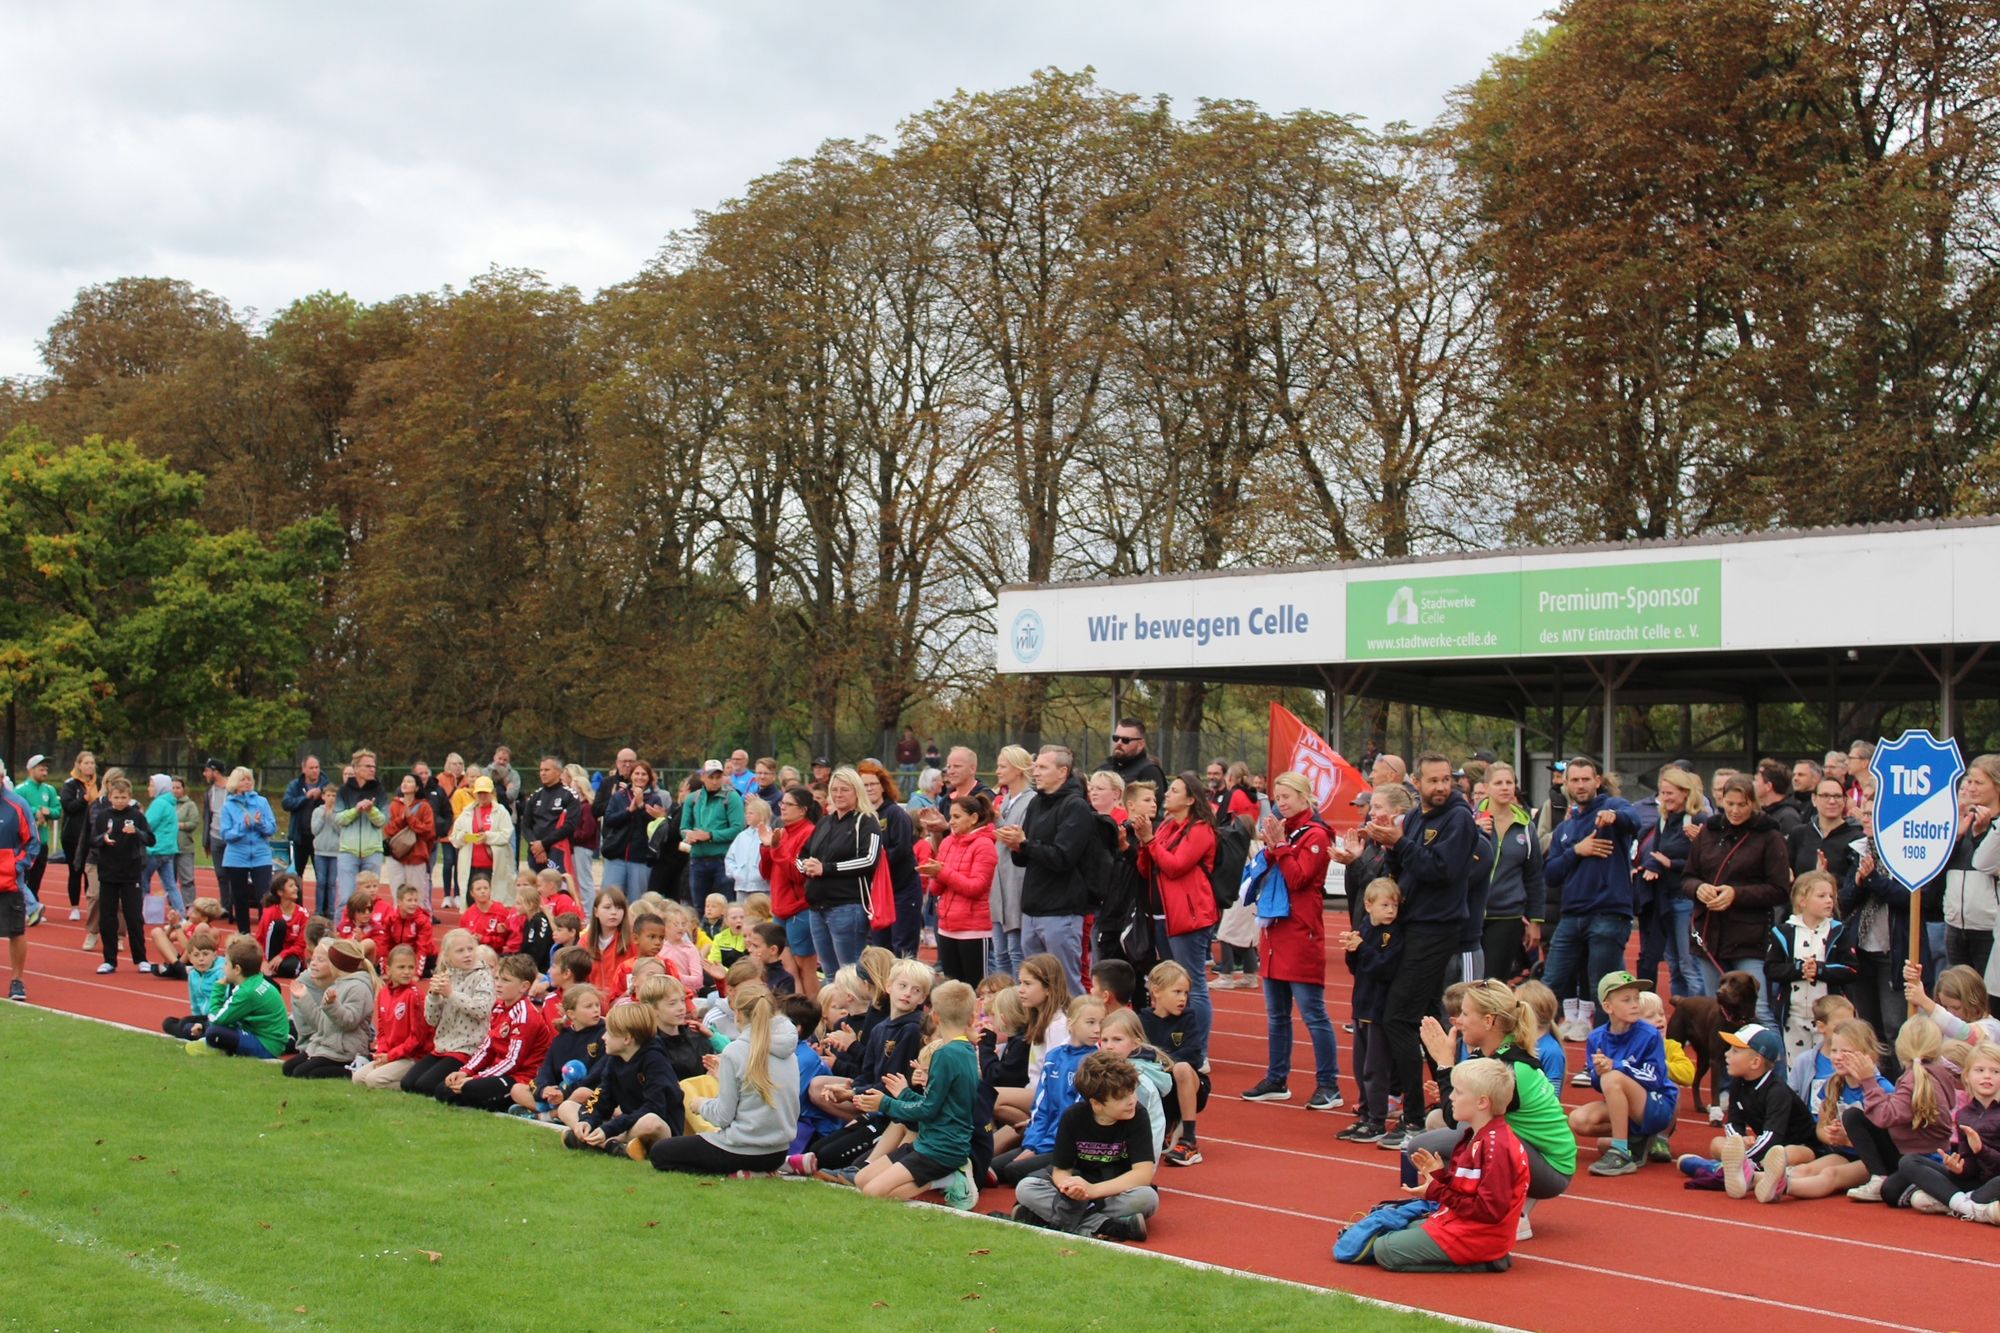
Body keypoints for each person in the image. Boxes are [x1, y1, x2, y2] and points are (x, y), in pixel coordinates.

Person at [1410, 980, 1578, 1241]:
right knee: (1437, 1124)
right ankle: (1469, 1202)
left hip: (1551, 1169)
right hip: (1534, 1153)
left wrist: (1444, 1062)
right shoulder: (1494, 1054)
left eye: (1466, 1014)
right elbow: (1454, 1108)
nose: (1458, 1021)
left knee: (1443, 1141)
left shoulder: (1507, 1068)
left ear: (1488, 1021)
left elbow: (1454, 1117)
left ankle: (1509, 1214)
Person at [1376, 753, 1478, 1149]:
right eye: (1433, 780)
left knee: (1398, 1018)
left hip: (1436, 928)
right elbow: (1406, 866)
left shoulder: (1459, 818)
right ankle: (1452, 1107)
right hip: (1414, 924)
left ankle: (1415, 1118)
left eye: (1446, 779)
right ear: (1415, 783)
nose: (1441, 787)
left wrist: (1400, 843)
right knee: (1425, 1019)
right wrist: (1390, 844)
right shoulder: (1418, 817)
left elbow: (1442, 870)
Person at [1241, 771, 1342, 1111]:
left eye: (1286, 796)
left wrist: (1281, 847)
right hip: (1275, 931)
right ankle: (1276, 1078)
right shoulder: (1288, 831)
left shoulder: (1316, 834)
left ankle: (1329, 1084)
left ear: (1304, 796)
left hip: (1300, 932)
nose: (1281, 803)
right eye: (1278, 797)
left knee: (1313, 1013)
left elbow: (1299, 878)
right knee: (1277, 1015)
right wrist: (1273, 847)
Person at [647, 980, 800, 1175]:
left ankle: (743, 1173)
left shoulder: (735, 1051)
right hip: (778, 1151)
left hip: (741, 1149)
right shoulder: (789, 1052)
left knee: (660, 1153)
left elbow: (723, 1116)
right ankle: (779, 1165)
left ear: (738, 1014)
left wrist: (700, 1104)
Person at [1009, 1050, 1158, 1241]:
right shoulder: (1073, 1116)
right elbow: (1061, 1171)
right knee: (1026, 1188)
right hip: (1075, 1191)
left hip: (1112, 1190)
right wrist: (1070, 1187)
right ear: (1097, 1104)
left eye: (1132, 1092)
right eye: (1121, 1097)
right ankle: (1106, 1226)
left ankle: (1047, 1219)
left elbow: (1143, 1174)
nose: (1131, 1101)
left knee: (1147, 1199)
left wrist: (1093, 1191)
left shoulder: (1138, 1115)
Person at [858, 979, 981, 1203]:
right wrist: (905, 1093)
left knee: (872, 1192)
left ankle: (951, 1179)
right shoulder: (966, 1050)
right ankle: (945, 1177)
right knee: (861, 1179)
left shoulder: (945, 1054)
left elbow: (928, 1109)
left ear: (935, 1017)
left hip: (941, 1148)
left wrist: (885, 1103)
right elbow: (939, 1103)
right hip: (929, 1142)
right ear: (971, 1018)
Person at [1683, 775, 1792, 1024]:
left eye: (1741, 805)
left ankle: (1770, 1051)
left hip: (1749, 938)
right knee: (1717, 1010)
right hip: (1710, 933)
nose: (1734, 810)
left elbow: (1779, 889)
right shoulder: (1708, 831)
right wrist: (1698, 888)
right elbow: (1687, 877)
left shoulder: (1769, 836)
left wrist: (1736, 894)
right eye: (1729, 803)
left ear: (1753, 803)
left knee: (1758, 1010)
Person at [1541, 757, 1639, 1030]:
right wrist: (1577, 851)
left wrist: (1614, 817)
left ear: (1597, 781)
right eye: (1575, 780)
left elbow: (1634, 819)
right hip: (1572, 916)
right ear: (1566, 784)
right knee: (1549, 984)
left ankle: (1605, 1050)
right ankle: (1536, 1045)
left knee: (1604, 990)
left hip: (1608, 914)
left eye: (1586, 779)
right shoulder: (1565, 828)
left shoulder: (1612, 806)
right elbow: (1550, 874)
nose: (1581, 785)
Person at [997, 745, 1101, 994]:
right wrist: (1017, 846)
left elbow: (1063, 857)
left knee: (1065, 985)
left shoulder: (1076, 807)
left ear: (1062, 772)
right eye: (1035, 767)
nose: (1036, 773)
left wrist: (1025, 844)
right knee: (1035, 987)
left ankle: (1077, 1022)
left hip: (1062, 911)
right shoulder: (1036, 803)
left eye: (1043, 767)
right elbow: (1024, 859)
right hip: (1032, 909)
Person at [1677, 1023, 1817, 1198]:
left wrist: (1745, 1158)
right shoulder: (1738, 1083)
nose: (1727, 1054)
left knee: (1790, 1153)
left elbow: (1772, 1137)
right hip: (1763, 1148)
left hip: (1799, 1146)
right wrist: (1740, 1139)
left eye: (1735, 1051)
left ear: (1755, 1062)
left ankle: (1729, 1169)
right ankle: (1743, 1170)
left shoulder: (1777, 1091)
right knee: (1717, 1144)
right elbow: (1733, 1123)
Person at [1837, 1016, 1960, 1204]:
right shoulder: (1930, 1074)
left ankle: (1926, 1188)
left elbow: (1884, 1117)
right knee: (1853, 1116)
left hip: (1926, 1159)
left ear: (1901, 1047)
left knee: (1891, 1191)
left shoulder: (1916, 1079)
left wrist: (1868, 1081)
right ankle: (1879, 1176)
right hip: (1908, 1152)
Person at [1568, 970, 1678, 1176]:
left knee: (1612, 1078)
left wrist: (1616, 1066)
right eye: (1626, 1000)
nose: (1635, 1004)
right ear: (1608, 1007)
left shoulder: (1649, 1034)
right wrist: (1597, 1073)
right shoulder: (1596, 1038)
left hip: (1657, 1106)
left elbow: (1654, 1078)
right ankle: (1636, 1140)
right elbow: (1598, 1084)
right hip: (1627, 1105)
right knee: (1578, 1119)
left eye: (1636, 998)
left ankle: (1620, 1151)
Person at [1133, 772, 1218, 1036]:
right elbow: (1147, 869)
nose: (1166, 794)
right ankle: (1177, 1042)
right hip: (1163, 914)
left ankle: (1198, 1048)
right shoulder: (1166, 826)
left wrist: (1150, 841)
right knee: (1170, 983)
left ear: (1190, 800)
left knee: (1192, 985)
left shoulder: (1200, 829)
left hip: (1189, 917)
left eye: (1174, 791)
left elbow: (1175, 866)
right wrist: (1142, 842)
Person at [1882, 1040, 2000, 1221]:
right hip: (1974, 1184)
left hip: (1995, 1181)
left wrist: (1981, 1150)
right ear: (1967, 1076)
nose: (1987, 1076)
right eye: (1980, 1070)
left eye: (1995, 1072)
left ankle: (1953, 1203)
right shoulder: (1964, 1115)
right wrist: (1959, 1168)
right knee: (1909, 1162)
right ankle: (1968, 1207)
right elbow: (1970, 1168)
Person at [560, 1002, 679, 1152]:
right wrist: (587, 1121)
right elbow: (602, 1098)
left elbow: (654, 1108)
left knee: (651, 1122)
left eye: (608, 1033)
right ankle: (609, 1143)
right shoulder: (615, 1059)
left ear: (626, 1039)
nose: (603, 1037)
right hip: (628, 1124)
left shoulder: (655, 1060)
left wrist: (609, 1129)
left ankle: (602, 1142)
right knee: (566, 1107)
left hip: (661, 1130)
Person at [1336, 878, 1403, 1143]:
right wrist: (1352, 949)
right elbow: (1356, 967)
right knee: (1359, 1065)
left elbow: (1384, 968)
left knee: (1375, 1068)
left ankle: (1377, 1120)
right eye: (1385, 905)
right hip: (1361, 1005)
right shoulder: (1365, 927)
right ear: (1368, 905)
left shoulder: (1394, 933)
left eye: (1394, 905)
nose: (1390, 910)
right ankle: (1365, 1115)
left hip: (1379, 1010)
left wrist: (1362, 948)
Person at [1768, 869, 1858, 1061]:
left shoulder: (1838, 931)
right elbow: (1771, 968)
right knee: (1797, 1067)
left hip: (1830, 1019)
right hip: (1795, 1015)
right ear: (1802, 901)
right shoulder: (1783, 932)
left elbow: (1851, 969)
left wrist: (1820, 969)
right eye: (1821, 896)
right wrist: (1799, 969)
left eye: (1831, 896)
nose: (1829, 901)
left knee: (1830, 1065)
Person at [800, 767, 880, 973]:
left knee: (850, 972)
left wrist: (826, 869)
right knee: (829, 972)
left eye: (844, 789)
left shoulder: (867, 821)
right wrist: (806, 867)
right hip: (817, 907)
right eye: (834, 790)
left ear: (857, 791)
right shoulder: (824, 822)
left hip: (847, 906)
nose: (838, 794)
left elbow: (869, 860)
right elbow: (803, 854)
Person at [400, 928, 498, 1097]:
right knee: (408, 1084)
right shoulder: (446, 976)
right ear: (447, 956)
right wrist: (433, 995)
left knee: (425, 1086)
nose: (467, 954)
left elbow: (481, 1010)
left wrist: (451, 994)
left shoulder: (483, 976)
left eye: (470, 949)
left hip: (467, 1048)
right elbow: (431, 1020)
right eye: (460, 951)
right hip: (443, 1045)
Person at [1641, 766, 1708, 998]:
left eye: (1670, 793)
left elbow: (1705, 861)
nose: (1665, 798)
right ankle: (1681, 1011)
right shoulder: (1664, 820)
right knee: (1673, 963)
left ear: (1685, 792)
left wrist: (1671, 864)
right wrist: (1652, 866)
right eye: (1662, 793)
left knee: (1689, 962)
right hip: (1666, 899)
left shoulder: (1698, 819)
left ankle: (1699, 1009)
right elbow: (1656, 853)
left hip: (1686, 900)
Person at [1475, 762, 1544, 985]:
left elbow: (1534, 875)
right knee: (1466, 980)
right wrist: (1475, 832)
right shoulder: (1469, 818)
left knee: (1493, 982)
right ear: (1486, 787)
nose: (1505, 787)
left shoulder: (1525, 825)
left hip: (1507, 915)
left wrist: (1535, 920)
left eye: (1509, 782)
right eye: (1498, 783)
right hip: (1469, 913)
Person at [921, 793, 996, 985]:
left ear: (973, 818)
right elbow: (937, 889)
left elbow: (976, 887)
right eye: (950, 816)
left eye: (956, 816)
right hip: (947, 927)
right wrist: (934, 873)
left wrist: (942, 872)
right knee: (952, 988)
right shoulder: (947, 843)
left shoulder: (985, 845)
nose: (951, 822)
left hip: (973, 929)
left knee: (975, 988)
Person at [1139, 962, 1207, 1166]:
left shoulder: (1188, 1019)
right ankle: (1160, 1126)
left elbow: (1194, 1055)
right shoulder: (1142, 1019)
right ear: (1156, 991)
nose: (1182, 998)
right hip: (1157, 1087)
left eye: (1185, 993)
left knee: (1182, 1067)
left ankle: (1189, 1140)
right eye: (1177, 992)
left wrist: (1161, 1060)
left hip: (1187, 1085)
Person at [283, 939, 378, 1079]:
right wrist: (304, 998)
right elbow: (320, 1024)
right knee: (288, 1068)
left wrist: (332, 1006)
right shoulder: (336, 985)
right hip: (327, 1046)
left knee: (304, 1073)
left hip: (345, 1050)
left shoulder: (359, 987)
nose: (313, 964)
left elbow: (349, 1022)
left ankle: (354, 1069)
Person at [1942, 754, 2000, 982]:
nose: (1971, 787)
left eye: (1979, 782)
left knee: (1985, 995)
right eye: (1969, 781)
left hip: (1988, 928)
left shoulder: (1996, 827)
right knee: (1956, 991)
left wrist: (1980, 835)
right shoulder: (1961, 820)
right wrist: (1957, 838)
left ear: (1996, 786)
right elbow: (1941, 869)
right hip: (1955, 925)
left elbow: (1986, 864)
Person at [760, 785, 820, 998]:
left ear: (803, 810)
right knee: (786, 967)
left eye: (788, 804)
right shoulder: (783, 833)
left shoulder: (810, 833)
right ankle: (794, 1007)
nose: (782, 807)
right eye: (781, 803)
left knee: (805, 966)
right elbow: (766, 872)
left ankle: (814, 1010)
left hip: (799, 909)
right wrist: (767, 847)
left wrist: (776, 849)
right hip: (780, 909)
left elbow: (798, 874)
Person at [188, 935, 290, 1059]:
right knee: (212, 1027)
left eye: (226, 963)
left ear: (237, 969)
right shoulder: (255, 981)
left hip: (266, 1046)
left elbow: (215, 1019)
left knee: (213, 1032)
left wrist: (218, 989)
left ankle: (216, 1048)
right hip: (269, 1039)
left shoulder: (246, 992)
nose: (223, 967)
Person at [92, 775, 155, 975]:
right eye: (116, 797)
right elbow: (92, 840)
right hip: (108, 873)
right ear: (110, 797)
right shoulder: (103, 816)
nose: (120, 801)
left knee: (134, 917)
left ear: (130, 797)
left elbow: (151, 839)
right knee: (107, 918)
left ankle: (141, 958)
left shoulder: (137, 816)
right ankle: (109, 960)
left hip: (131, 873)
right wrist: (103, 838)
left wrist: (136, 832)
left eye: (123, 797)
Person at [354, 944, 432, 1090]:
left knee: (373, 1081)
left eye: (410, 967)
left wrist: (390, 1057)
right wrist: (382, 1053)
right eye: (401, 967)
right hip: (391, 1054)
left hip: (412, 1057)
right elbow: (382, 1031)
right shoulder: (383, 993)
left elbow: (417, 1039)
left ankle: (415, 1085)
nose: (407, 972)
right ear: (389, 970)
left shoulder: (415, 996)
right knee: (358, 1078)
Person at [989, 746, 1033, 979]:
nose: (997, 771)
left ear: (1018, 769)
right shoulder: (1006, 800)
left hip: (1016, 881)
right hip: (1000, 883)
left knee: (1016, 951)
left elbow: (1016, 838)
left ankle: (1017, 996)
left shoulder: (1030, 801)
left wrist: (997, 820)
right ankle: (1002, 996)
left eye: (1002, 766)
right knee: (1000, 952)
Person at [0, 763, 40, 1000]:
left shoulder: (17, 804)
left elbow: (32, 842)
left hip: (9, 882)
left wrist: (16, 867)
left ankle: (17, 980)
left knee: (16, 931)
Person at [679, 759, 745, 902]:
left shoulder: (732, 797)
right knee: (699, 906)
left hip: (723, 860)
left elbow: (738, 829)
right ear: (703, 777)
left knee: (726, 905)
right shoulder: (692, 799)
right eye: (711, 777)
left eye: (718, 777)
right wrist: (689, 835)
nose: (715, 781)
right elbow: (683, 827)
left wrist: (710, 835)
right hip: (697, 859)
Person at [599, 760, 664, 899]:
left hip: (640, 858)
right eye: (637, 773)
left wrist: (641, 806)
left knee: (637, 900)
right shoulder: (619, 796)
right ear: (631, 776)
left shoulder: (655, 799)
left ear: (649, 777)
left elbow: (655, 827)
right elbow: (609, 820)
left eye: (644, 774)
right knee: (611, 898)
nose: (640, 777)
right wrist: (628, 811)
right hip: (616, 854)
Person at [333, 750, 387, 917]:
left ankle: (370, 930)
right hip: (348, 851)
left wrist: (371, 810)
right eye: (368, 766)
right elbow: (338, 818)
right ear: (356, 768)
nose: (372, 769)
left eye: (374, 766)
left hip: (373, 852)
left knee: (370, 899)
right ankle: (341, 930)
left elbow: (383, 820)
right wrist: (356, 810)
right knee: (346, 899)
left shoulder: (379, 790)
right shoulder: (343, 791)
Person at [448, 775, 516, 907]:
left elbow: (506, 835)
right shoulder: (467, 813)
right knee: (471, 902)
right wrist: (464, 837)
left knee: (493, 901)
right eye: (479, 793)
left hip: (493, 865)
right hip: (470, 865)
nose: (482, 796)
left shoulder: (501, 811)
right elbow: (454, 838)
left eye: (485, 792)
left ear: (492, 793)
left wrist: (487, 837)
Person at [1789, 774, 1863, 881]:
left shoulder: (1856, 838)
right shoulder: (1799, 834)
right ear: (1814, 799)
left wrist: (1825, 877)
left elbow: (1856, 882)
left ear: (1844, 800)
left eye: (1837, 796)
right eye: (1825, 796)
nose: (1832, 801)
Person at [160, 928, 228, 1039]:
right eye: (196, 955)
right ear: (190, 958)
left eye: (205, 954)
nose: (201, 959)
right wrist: (196, 1019)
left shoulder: (221, 972)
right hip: (202, 1017)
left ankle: (203, 1032)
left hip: (218, 1016)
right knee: (168, 1022)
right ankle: (197, 1031)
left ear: (214, 955)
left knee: (186, 1026)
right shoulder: (193, 975)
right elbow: (194, 1000)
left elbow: (226, 997)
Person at [57, 751, 98, 921]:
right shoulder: (70, 784)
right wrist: (84, 799)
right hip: (73, 835)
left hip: (93, 834)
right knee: (75, 871)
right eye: (86, 763)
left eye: (92, 763)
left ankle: (91, 905)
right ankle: (74, 907)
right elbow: (68, 807)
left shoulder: (98, 783)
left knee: (91, 871)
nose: (90, 766)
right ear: (79, 765)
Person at [382, 773, 437, 900]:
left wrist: (410, 818)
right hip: (395, 854)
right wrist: (402, 819)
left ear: (417, 788)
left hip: (416, 855)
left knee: (416, 896)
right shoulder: (394, 804)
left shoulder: (424, 806)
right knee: (397, 894)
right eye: (403, 781)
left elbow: (429, 832)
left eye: (409, 781)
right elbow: (388, 830)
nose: (405, 784)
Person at [280, 756, 327, 880]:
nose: (315, 770)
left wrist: (322, 797)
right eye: (311, 768)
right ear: (304, 769)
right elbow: (286, 804)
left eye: (317, 767)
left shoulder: (326, 786)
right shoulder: (295, 785)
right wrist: (305, 797)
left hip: (320, 838)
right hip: (299, 837)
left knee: (322, 877)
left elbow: (334, 805)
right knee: (295, 876)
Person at [1098, 717, 1167, 793]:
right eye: (1116, 738)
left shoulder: (1149, 771)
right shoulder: (1104, 769)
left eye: (1126, 740)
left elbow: (1153, 799)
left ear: (1140, 744)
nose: (1119, 743)